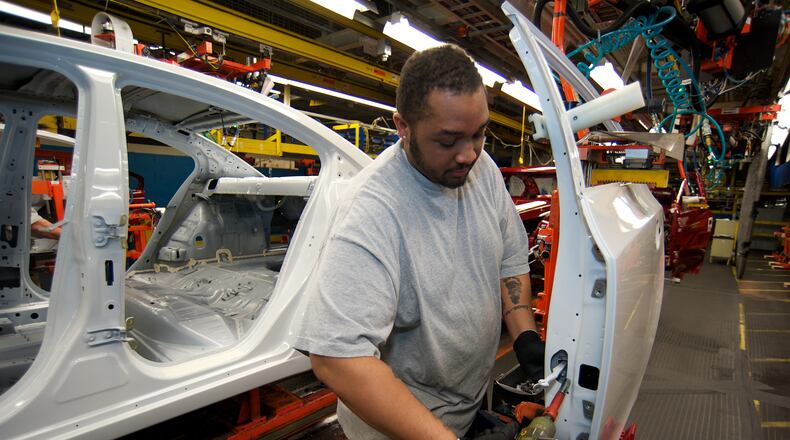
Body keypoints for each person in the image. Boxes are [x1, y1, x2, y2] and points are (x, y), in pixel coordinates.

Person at [292, 44, 545, 439]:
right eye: (447, 141)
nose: (468, 155)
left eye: (479, 134)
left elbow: (509, 263)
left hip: (465, 403)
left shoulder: (483, 170)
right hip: (400, 428)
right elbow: (337, 358)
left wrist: (526, 337)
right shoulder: (372, 213)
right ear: (403, 127)